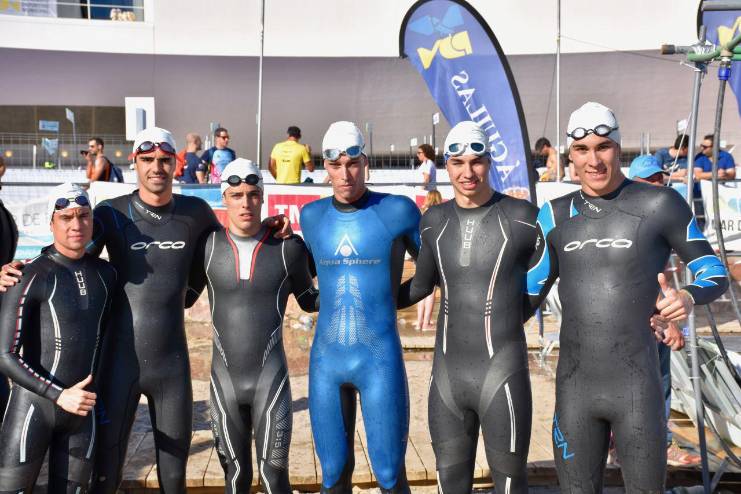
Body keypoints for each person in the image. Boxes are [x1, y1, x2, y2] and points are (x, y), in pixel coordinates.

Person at [0, 128, 291, 493]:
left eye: (165, 160)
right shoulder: (112, 213)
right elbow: (69, 254)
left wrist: (269, 226)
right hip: (118, 364)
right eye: (148, 159)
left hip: (172, 364)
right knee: (105, 475)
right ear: (135, 163)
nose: (157, 167)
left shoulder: (195, 213)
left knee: (174, 478)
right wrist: (24, 268)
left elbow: (230, 245)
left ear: (175, 164)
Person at [527, 102, 728, 492]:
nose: (593, 161)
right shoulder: (554, 214)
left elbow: (713, 271)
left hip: (637, 390)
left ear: (618, 148)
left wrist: (687, 296)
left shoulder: (659, 204)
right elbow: (526, 294)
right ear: (570, 156)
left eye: (603, 147)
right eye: (582, 150)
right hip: (575, 391)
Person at [397, 121, 540, 493]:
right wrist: (367, 300)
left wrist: (516, 314)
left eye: (476, 161)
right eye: (457, 162)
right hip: (448, 378)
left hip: (503, 372)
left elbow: (557, 271)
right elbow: (420, 286)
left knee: (510, 484)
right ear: (446, 165)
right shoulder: (434, 221)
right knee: (451, 482)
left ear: (489, 162)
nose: (467, 172)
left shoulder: (522, 216)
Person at [300, 121, 420, 493]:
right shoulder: (311, 216)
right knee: (332, 474)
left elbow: (433, 272)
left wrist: (392, 299)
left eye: (353, 164)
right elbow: (303, 277)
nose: (345, 174)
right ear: (325, 167)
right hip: (326, 362)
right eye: (336, 165)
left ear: (365, 162)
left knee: (388, 473)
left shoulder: (398, 210)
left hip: (378, 360)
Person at [206, 158, 318, 493]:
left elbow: (310, 301)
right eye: (236, 195)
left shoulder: (288, 248)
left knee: (274, 478)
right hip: (223, 385)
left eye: (253, 195)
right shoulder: (208, 247)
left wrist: (355, 282)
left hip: (271, 383)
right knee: (235, 478)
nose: (246, 203)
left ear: (263, 197)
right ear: (224, 198)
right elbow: (175, 294)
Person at [0, 183, 116, 492]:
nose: (76, 224)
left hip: (82, 413)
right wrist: (59, 395)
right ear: (51, 223)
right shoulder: (27, 276)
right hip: (32, 408)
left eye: (83, 215)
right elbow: (4, 355)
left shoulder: (107, 275)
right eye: (66, 217)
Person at [627, 155, 701, 467]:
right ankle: (626, 445)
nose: (656, 184)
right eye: (649, 180)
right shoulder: (629, 218)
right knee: (637, 382)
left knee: (660, 380)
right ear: (634, 183)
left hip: (653, 311)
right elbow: (635, 274)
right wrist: (666, 320)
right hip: (628, 316)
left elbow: (660, 273)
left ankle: (661, 443)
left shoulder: (664, 214)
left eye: (659, 178)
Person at [414, 189, 442, 331]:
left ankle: (419, 322)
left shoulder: (421, 213)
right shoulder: (440, 214)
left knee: (421, 289)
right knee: (431, 290)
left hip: (420, 254)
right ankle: (426, 323)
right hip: (434, 254)